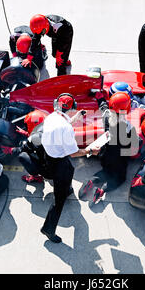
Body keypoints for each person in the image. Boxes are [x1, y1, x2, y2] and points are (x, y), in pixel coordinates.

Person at [39, 93, 99, 243]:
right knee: (58, 202)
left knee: (70, 171)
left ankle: (67, 190)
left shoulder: (51, 116)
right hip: (59, 163)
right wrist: (90, 150)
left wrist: (75, 118)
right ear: (71, 108)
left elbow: (62, 126)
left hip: (49, 157)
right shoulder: (66, 128)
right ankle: (48, 229)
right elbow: (73, 153)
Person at [79, 91, 139, 205]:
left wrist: (100, 97)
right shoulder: (128, 127)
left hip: (104, 155)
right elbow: (136, 144)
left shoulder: (106, 116)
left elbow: (103, 107)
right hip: (118, 159)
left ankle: (91, 181)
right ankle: (102, 190)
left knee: (106, 171)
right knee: (120, 178)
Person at [1, 109, 49, 183]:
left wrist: (11, 150)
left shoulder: (36, 140)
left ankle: (35, 177)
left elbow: (24, 148)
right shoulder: (49, 131)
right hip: (58, 163)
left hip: (49, 170)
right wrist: (26, 133)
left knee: (22, 156)